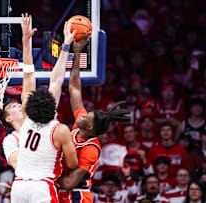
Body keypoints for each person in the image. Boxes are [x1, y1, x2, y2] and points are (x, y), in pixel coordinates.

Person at [10, 16, 79, 203]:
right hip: (42, 186)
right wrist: (66, 44)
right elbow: (73, 164)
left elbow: (28, 74)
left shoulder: (25, 118)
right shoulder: (60, 130)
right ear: (53, 106)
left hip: (19, 187)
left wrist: (26, 40)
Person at [56, 31, 130, 202]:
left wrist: (43, 176)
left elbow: (69, 183)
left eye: (86, 116)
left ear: (90, 127)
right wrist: (77, 53)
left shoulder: (90, 149)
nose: (83, 113)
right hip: (60, 192)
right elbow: (74, 87)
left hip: (77, 196)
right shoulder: (79, 125)